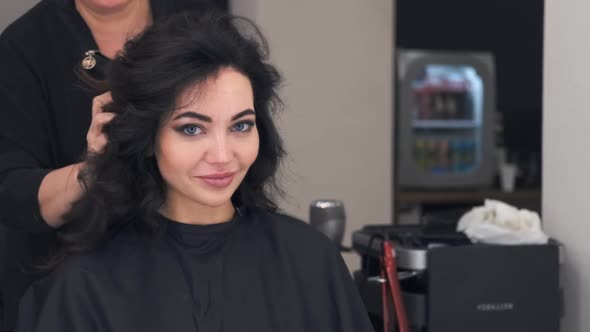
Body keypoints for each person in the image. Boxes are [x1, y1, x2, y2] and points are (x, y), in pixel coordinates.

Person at [15, 10, 374, 332]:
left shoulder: (309, 260)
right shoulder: (84, 285)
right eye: (191, 128)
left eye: (240, 126)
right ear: (148, 137)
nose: (222, 155)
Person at [0, 0, 221, 329]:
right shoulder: (22, 46)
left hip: (194, 269)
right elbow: (13, 192)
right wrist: (92, 170)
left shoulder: (200, 19)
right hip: (73, 286)